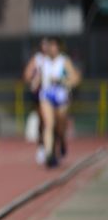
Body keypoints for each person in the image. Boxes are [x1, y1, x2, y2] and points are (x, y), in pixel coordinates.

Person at [33, 37, 81, 168]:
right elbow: (37, 77)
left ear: (58, 47)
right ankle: (49, 154)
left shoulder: (64, 61)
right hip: (47, 95)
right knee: (49, 124)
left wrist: (64, 81)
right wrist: (35, 82)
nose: (51, 48)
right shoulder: (43, 61)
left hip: (61, 97)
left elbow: (75, 78)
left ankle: (62, 141)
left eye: (54, 46)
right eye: (50, 46)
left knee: (59, 127)